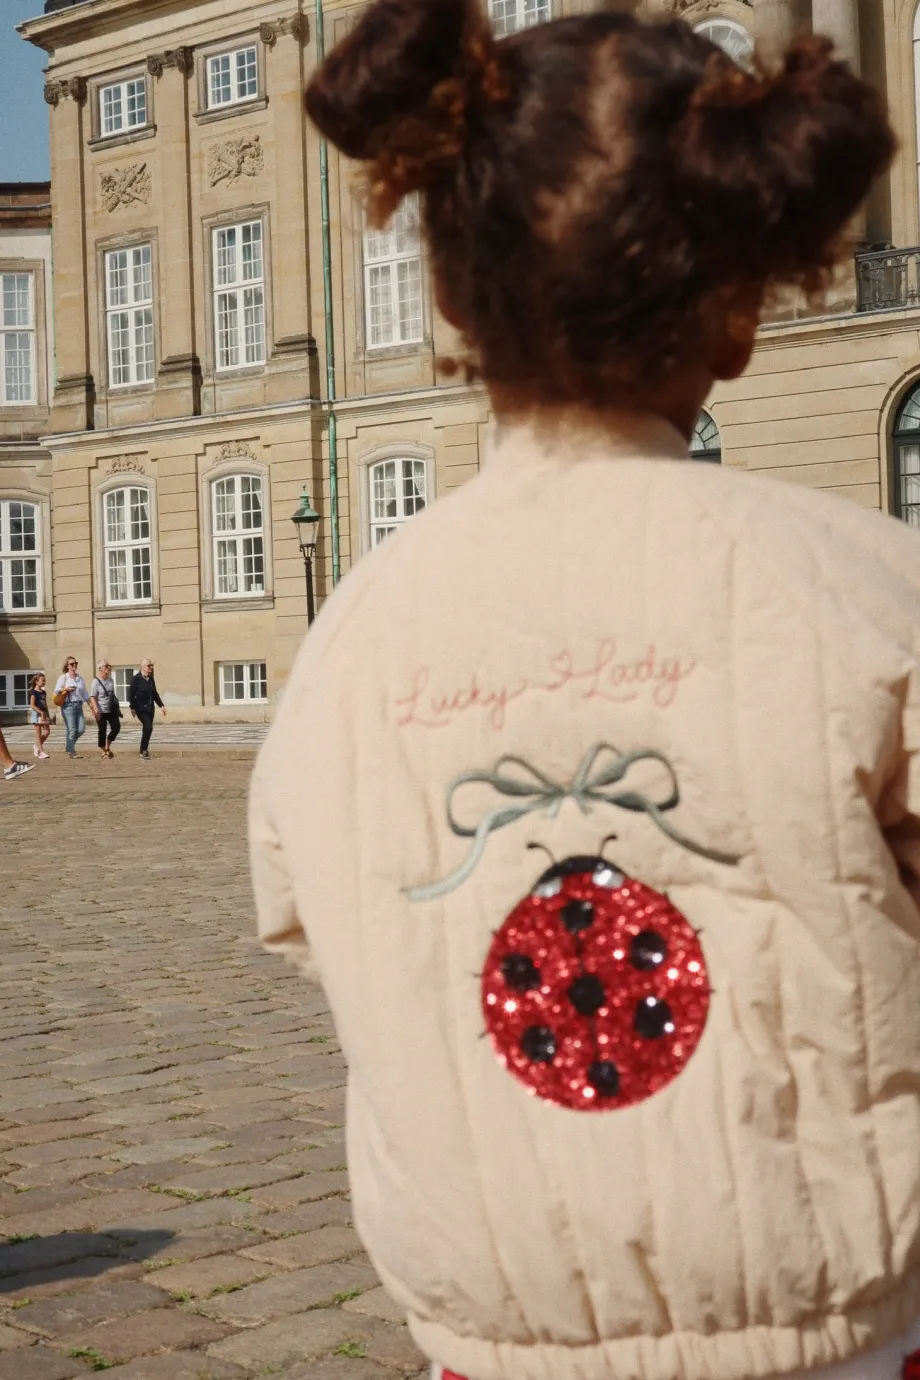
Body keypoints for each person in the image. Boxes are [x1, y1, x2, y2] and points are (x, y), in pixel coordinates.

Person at [250, 7, 920, 1380]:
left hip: (496, 1335)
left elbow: (315, 917)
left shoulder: (350, 636)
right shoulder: (868, 585)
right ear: (740, 314)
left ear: (449, 304)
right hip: (840, 1329)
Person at [128, 659, 165, 759]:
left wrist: (161, 706)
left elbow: (154, 694)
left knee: (148, 729)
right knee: (148, 726)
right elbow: (130, 695)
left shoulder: (151, 679)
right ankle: (143, 750)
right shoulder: (136, 679)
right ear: (143, 667)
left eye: (152, 665)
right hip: (140, 708)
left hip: (150, 708)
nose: (151, 667)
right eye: (149, 665)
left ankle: (143, 750)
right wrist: (132, 707)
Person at [54, 656, 90, 760]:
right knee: (72, 729)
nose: (74, 665)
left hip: (79, 705)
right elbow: (56, 691)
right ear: (67, 666)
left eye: (75, 663)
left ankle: (69, 745)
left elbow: (85, 694)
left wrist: (91, 705)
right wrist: (66, 689)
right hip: (68, 706)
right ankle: (71, 751)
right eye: (72, 664)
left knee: (81, 729)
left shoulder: (80, 678)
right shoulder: (64, 678)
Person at [89, 660, 121, 761]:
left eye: (109, 665)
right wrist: (96, 710)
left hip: (111, 709)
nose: (108, 667)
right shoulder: (95, 681)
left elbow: (113, 695)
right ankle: (103, 750)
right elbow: (92, 697)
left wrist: (118, 709)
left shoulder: (111, 680)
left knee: (116, 727)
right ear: (100, 669)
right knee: (102, 730)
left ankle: (107, 744)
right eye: (106, 666)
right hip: (101, 710)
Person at [28, 672, 51, 760]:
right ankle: (41, 751)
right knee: (38, 733)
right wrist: (40, 712)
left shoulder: (44, 692)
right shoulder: (34, 692)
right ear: (37, 681)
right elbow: (32, 705)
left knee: (47, 731)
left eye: (45, 680)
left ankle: (36, 745)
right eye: (43, 680)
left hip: (44, 713)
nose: (44, 682)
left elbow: (45, 704)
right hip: (36, 713)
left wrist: (47, 715)